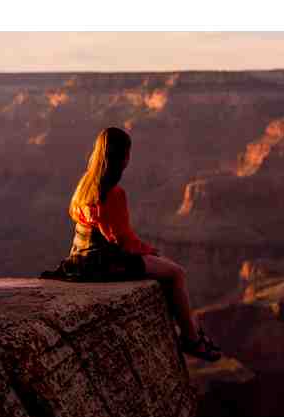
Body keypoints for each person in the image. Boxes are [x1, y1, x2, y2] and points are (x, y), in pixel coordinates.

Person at [42, 126, 221, 361]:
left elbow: (93, 224)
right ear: (124, 157)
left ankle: (192, 333)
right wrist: (150, 252)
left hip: (78, 260)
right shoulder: (114, 193)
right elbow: (122, 240)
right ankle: (192, 340)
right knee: (176, 273)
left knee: (163, 268)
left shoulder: (85, 184)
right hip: (102, 263)